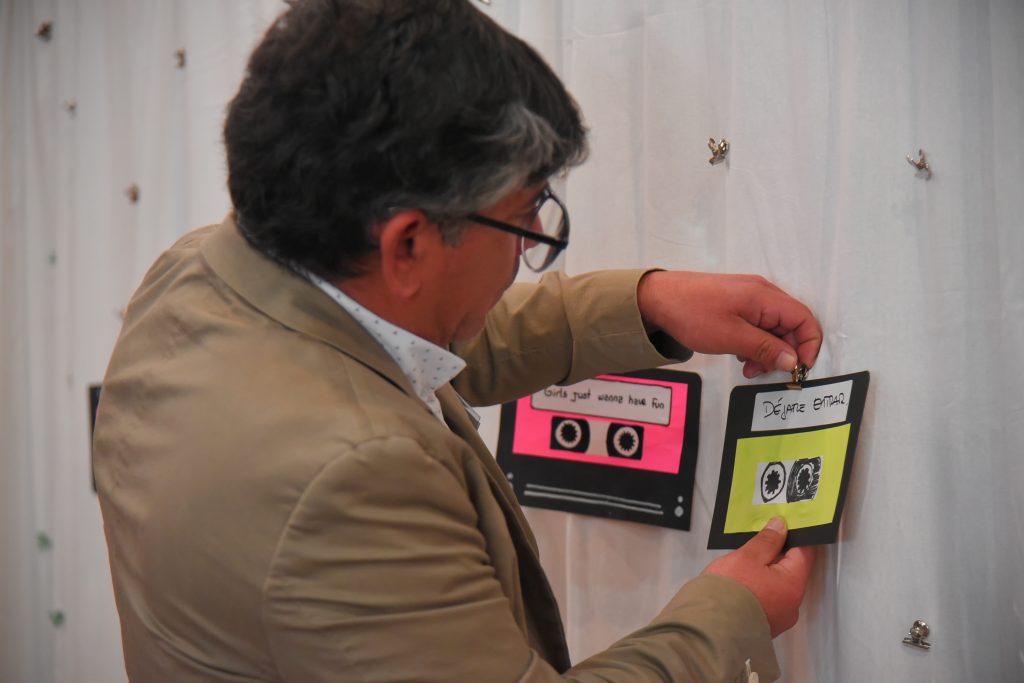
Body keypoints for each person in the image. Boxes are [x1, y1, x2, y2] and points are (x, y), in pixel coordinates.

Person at [93, 1, 821, 681]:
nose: (532, 240)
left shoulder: (200, 273)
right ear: (408, 245)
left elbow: (404, 344)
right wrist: (728, 618)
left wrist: (646, 303)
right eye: (525, 214)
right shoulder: (350, 481)